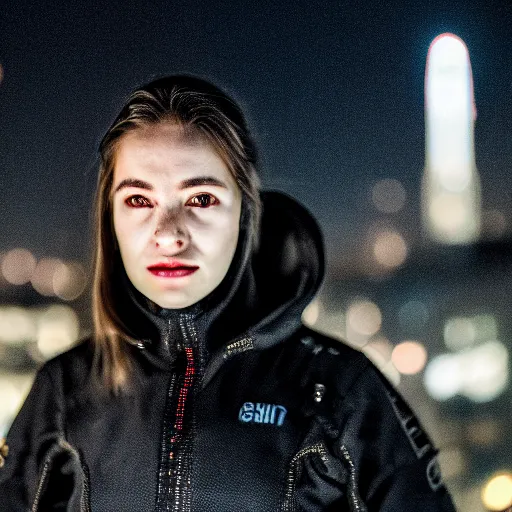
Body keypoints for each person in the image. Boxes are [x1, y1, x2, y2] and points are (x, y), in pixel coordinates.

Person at [0, 75, 456, 511]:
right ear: (110, 220)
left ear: (245, 215)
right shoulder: (63, 391)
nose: (168, 234)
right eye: (138, 200)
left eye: (200, 199)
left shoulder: (338, 392)